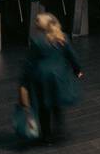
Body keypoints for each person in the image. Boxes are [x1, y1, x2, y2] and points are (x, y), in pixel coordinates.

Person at [19, 13, 83, 145]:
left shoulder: (36, 41)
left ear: (41, 26)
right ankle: (59, 132)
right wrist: (77, 70)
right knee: (57, 104)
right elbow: (72, 56)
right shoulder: (62, 37)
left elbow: (30, 62)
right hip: (59, 76)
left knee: (44, 107)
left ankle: (46, 137)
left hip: (42, 78)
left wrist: (24, 81)